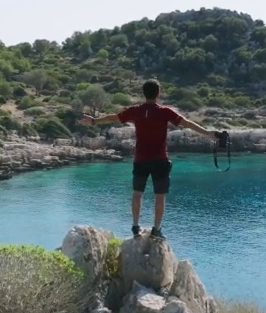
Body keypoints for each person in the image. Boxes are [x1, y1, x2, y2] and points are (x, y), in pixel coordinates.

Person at [81, 79, 220, 239]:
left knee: (137, 194)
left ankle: (135, 226)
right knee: (159, 197)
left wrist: (93, 121)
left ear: (143, 93)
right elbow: (187, 123)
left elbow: (114, 117)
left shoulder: (136, 110)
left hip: (140, 159)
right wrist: (209, 134)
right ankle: (156, 229)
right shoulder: (165, 111)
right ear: (158, 94)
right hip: (160, 160)